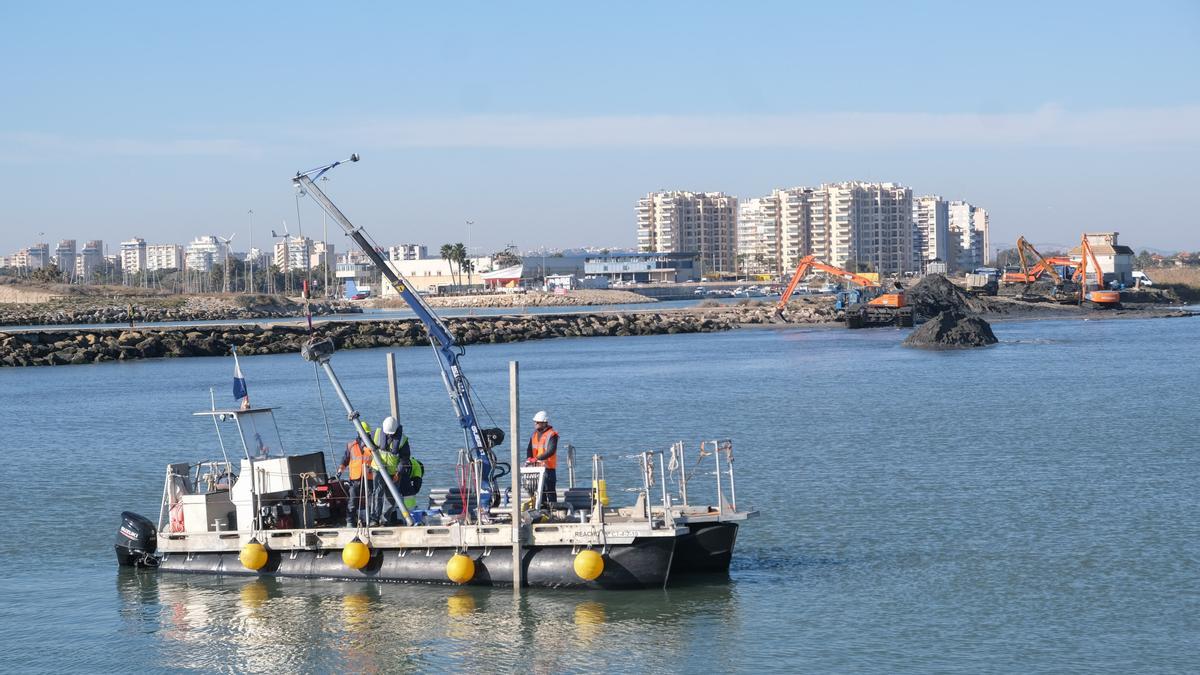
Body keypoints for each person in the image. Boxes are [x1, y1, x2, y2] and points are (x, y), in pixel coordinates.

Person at [372, 416, 412, 525]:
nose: (389, 435)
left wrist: (398, 472)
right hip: (378, 469)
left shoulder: (402, 440)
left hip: (393, 472)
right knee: (377, 493)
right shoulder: (376, 433)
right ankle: (374, 519)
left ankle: (385, 520)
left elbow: (404, 459)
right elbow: (366, 442)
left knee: (391, 497)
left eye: (391, 433)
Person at [336, 422, 374, 527]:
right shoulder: (351, 446)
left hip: (369, 478)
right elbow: (345, 459)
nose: (366, 435)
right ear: (359, 433)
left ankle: (371, 520)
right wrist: (340, 470)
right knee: (352, 500)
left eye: (367, 433)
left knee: (371, 501)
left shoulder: (372, 446)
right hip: (355, 479)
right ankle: (350, 521)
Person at [525, 410, 558, 505]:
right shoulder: (534, 435)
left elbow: (551, 451)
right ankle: (542, 510)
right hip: (536, 468)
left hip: (548, 468)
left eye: (537, 422)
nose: (535, 423)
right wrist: (529, 459)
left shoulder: (552, 435)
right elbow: (529, 449)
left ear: (544, 423)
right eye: (535, 422)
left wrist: (537, 458)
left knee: (550, 491)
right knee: (540, 491)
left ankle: (553, 511)